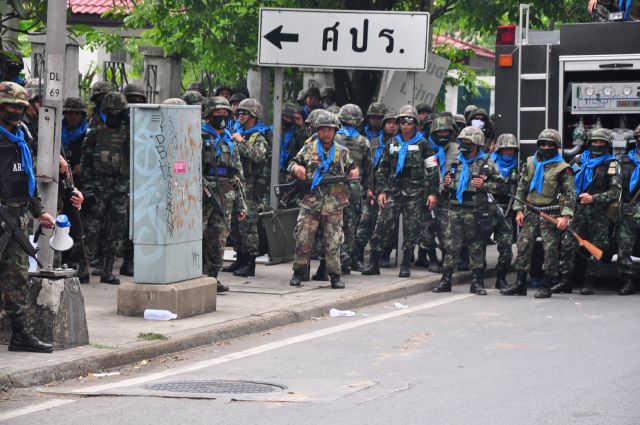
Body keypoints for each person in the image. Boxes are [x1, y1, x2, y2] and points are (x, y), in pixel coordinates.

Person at [0, 81, 56, 353]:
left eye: (20, 107)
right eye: (10, 106)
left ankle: (20, 333)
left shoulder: (21, 136)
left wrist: (39, 211)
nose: (16, 111)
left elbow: (28, 177)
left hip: (16, 221)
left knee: (18, 276)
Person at [361, 105, 439, 278]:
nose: (405, 124)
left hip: (415, 193)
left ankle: (405, 264)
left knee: (412, 230)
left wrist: (432, 193)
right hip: (393, 191)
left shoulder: (423, 144)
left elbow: (433, 170)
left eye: (409, 121)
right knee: (381, 225)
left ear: (415, 123)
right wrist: (382, 191)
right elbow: (382, 169)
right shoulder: (392, 143)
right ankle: (374, 263)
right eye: (402, 121)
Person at [500, 129, 576, 298]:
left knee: (550, 250)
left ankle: (547, 285)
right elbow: (522, 187)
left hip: (551, 213)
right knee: (523, 246)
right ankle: (520, 284)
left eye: (550, 144)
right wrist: (518, 210)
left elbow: (570, 194)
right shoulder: (530, 163)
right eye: (543, 144)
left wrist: (566, 216)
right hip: (531, 211)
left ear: (556, 146)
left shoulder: (563, 168)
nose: (546, 147)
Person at [288, 113, 359, 289]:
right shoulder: (308, 148)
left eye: (329, 130)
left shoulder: (342, 151)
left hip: (334, 203)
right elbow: (292, 163)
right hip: (311, 201)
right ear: (317, 131)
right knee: (303, 238)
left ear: (335, 131)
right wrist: (296, 168)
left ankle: (334, 275)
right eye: (322, 130)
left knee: (333, 241)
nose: (326, 133)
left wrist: (354, 172)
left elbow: (353, 168)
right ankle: (298, 272)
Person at [432, 126, 501, 295]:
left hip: (475, 211)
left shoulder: (486, 163)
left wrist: (485, 185)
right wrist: (445, 184)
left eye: (468, 142)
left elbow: (502, 186)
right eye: (462, 141)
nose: (463, 144)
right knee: (451, 246)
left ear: (477, 144)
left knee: (476, 247)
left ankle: (477, 282)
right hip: (454, 209)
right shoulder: (456, 161)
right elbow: (444, 185)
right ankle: (446, 280)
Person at [554, 128, 620, 295]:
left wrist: (594, 198)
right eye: (595, 141)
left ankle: (589, 283)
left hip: (599, 214)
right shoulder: (579, 160)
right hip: (577, 211)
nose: (598, 144)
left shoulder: (611, 164)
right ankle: (565, 282)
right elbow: (566, 181)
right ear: (589, 143)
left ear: (607, 144)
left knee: (595, 248)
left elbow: (615, 192)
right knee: (568, 245)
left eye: (601, 142)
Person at [80, 92, 130, 285]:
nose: (116, 115)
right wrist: (88, 189)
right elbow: (85, 164)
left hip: (119, 189)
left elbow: (138, 151)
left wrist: (130, 125)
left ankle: (107, 271)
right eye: (113, 111)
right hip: (98, 189)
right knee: (90, 231)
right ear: (106, 112)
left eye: (120, 111)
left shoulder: (128, 136)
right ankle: (82, 268)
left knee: (116, 232)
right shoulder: (94, 134)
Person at [201, 97, 247, 292]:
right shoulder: (199, 135)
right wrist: (201, 184)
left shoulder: (230, 140)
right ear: (209, 115)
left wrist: (242, 204)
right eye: (217, 114)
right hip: (203, 195)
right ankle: (197, 277)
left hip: (225, 196)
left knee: (219, 239)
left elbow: (238, 174)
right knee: (198, 236)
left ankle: (213, 278)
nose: (221, 117)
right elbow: (190, 165)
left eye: (225, 114)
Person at [228, 98, 271, 278]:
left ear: (253, 115)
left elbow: (258, 156)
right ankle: (240, 257)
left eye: (244, 113)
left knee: (248, 225)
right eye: (239, 112)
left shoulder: (258, 136)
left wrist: (240, 142)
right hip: (236, 184)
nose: (240, 116)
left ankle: (250, 262)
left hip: (250, 187)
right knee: (234, 224)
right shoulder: (237, 132)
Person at [353, 110, 397, 272]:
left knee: (387, 226)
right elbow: (368, 168)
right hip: (373, 189)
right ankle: (357, 257)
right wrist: (368, 188)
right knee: (364, 222)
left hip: (390, 190)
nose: (392, 126)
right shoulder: (372, 142)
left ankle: (383, 256)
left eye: (395, 123)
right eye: (389, 122)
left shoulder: (399, 144)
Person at [334, 104, 371, 274]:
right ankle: (349, 258)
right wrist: (367, 189)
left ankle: (341, 258)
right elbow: (368, 169)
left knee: (335, 224)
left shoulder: (333, 138)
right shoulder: (364, 142)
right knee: (351, 225)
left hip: (335, 187)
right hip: (354, 188)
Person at [489, 133, 520, 289]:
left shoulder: (519, 166)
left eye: (511, 150)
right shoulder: (489, 164)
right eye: (505, 149)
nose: (508, 152)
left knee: (506, 249)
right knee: (478, 246)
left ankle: (501, 278)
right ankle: (477, 279)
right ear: (500, 150)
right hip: (488, 209)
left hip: (506, 211)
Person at [615, 124, 640, 295]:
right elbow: (615, 186)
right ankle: (627, 280)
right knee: (624, 247)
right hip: (629, 208)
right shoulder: (624, 161)